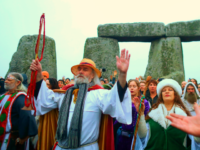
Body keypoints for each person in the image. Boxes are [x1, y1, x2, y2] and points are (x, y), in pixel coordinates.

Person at [30, 49, 132, 150]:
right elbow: (43, 98)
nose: (80, 71)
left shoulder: (98, 94)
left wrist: (122, 74)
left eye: (85, 69)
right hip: (61, 147)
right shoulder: (64, 93)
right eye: (79, 69)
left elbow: (116, 97)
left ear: (92, 75)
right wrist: (39, 73)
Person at [131, 79, 200, 150]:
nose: (167, 91)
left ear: (175, 94)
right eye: (164, 90)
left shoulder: (183, 115)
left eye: (170, 90)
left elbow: (196, 142)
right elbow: (142, 136)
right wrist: (141, 114)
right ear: (161, 95)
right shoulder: (153, 113)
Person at [0, 72, 37, 149]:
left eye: (9, 80)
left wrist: (23, 137)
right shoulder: (3, 96)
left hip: (11, 138)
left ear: (18, 82)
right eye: (6, 79)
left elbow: (28, 117)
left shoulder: (22, 98)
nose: (6, 81)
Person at [114, 79, 149, 150]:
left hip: (135, 134)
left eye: (134, 86)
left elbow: (145, 117)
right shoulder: (123, 100)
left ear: (139, 88)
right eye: (130, 86)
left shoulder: (143, 102)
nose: (132, 88)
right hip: (122, 132)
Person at [37, 78, 59, 150]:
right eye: (45, 84)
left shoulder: (56, 94)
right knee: (43, 134)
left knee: (52, 134)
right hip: (44, 117)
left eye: (48, 84)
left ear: (53, 85)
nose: (46, 86)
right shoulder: (43, 94)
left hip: (53, 117)